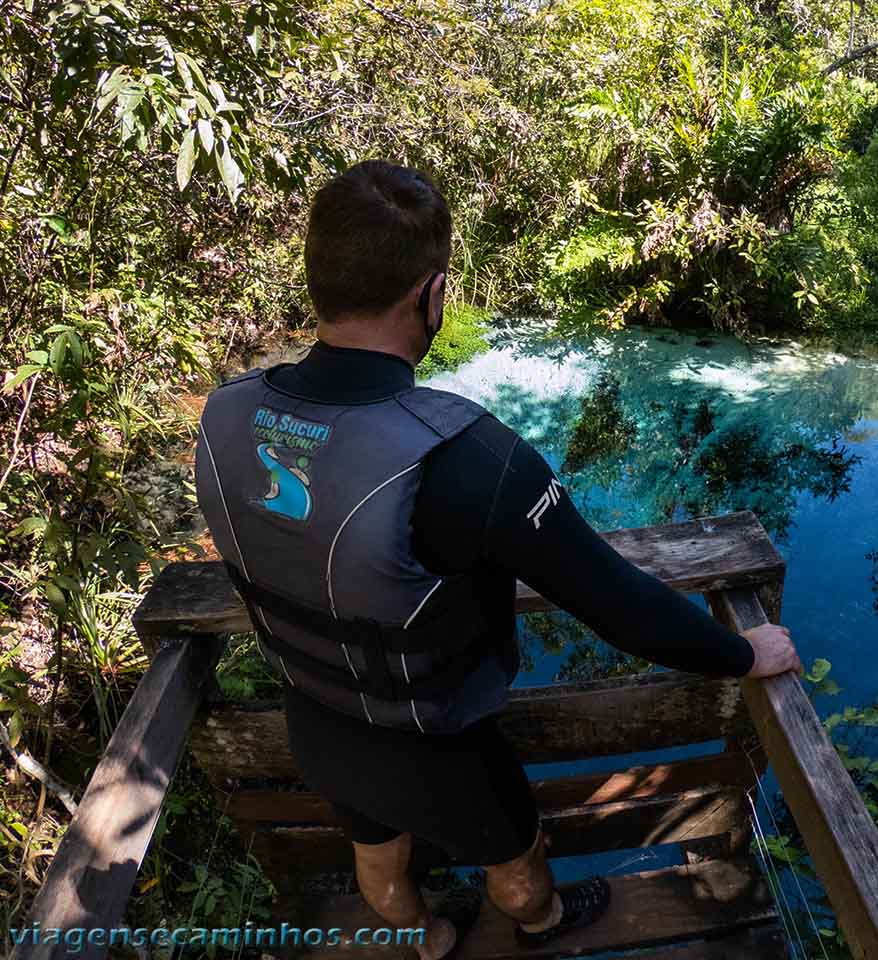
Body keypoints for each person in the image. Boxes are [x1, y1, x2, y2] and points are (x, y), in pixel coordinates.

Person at [193, 160, 801, 960]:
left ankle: (431, 941)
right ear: (432, 293)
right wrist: (740, 653)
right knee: (516, 862)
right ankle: (543, 926)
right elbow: (617, 602)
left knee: (374, 853)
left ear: (318, 281)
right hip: (441, 745)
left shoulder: (226, 413)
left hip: (316, 716)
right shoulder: (469, 456)